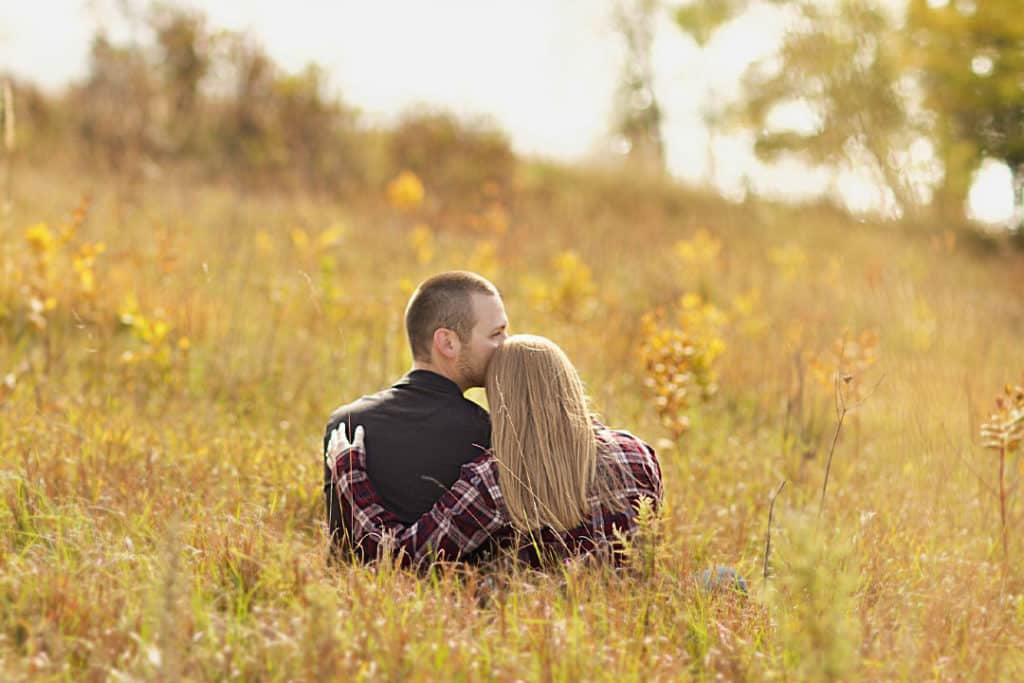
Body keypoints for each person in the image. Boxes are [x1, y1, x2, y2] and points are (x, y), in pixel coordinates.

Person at [326, 334, 663, 568]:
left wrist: (351, 474)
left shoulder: (498, 477)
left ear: (501, 397)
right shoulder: (637, 454)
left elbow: (403, 558)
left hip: (551, 636)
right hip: (638, 627)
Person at [322, 271, 508, 557]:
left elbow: (340, 555)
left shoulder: (345, 425)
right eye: (496, 334)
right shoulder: (488, 434)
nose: (505, 344)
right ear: (447, 343)